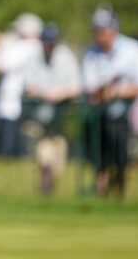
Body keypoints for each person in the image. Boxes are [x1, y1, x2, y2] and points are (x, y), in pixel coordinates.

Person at [82, 9, 138, 196]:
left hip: (130, 113)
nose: (100, 35)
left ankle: (119, 190)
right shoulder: (90, 52)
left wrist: (116, 91)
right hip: (100, 115)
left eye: (103, 30)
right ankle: (102, 190)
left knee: (123, 157)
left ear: (114, 29)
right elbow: (91, 89)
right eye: (97, 30)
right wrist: (105, 90)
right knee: (99, 156)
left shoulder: (132, 49)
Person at [24, 22, 81, 195]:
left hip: (60, 120)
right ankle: (45, 186)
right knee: (43, 157)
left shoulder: (66, 58)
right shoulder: (33, 59)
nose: (50, 45)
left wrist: (58, 94)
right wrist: (45, 93)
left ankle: (48, 189)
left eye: (53, 41)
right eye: (47, 41)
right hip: (38, 119)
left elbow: (76, 87)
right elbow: (29, 87)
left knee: (58, 160)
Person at [0, 13, 43, 157]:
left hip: (13, 100)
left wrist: (0, 47)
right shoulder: (37, 47)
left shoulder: (24, 46)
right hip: (19, 100)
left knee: (8, 141)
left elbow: (1, 66)